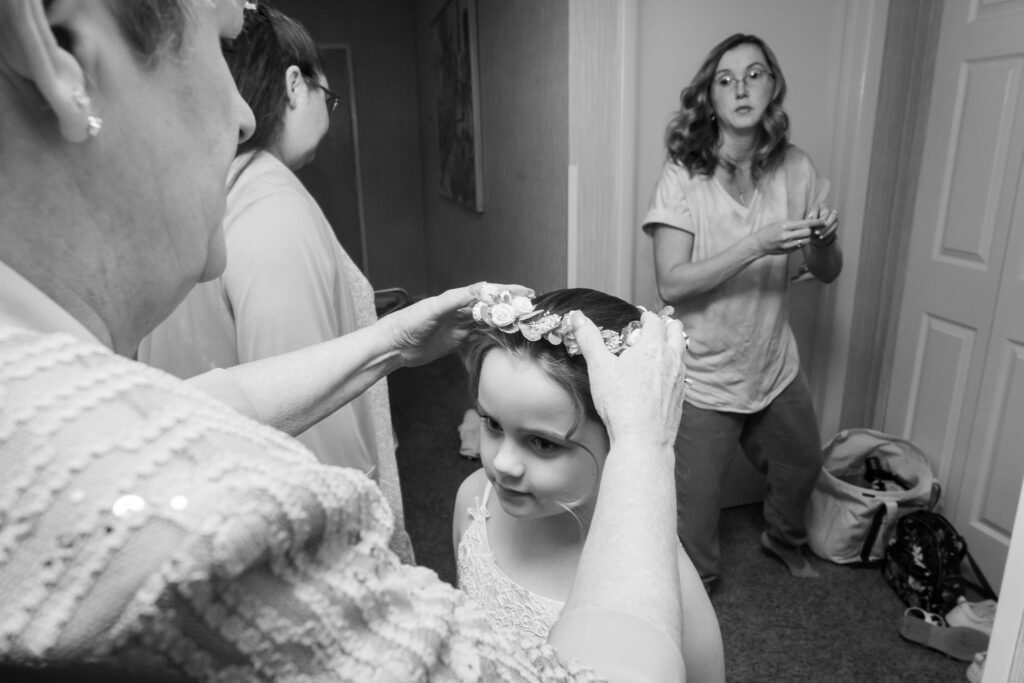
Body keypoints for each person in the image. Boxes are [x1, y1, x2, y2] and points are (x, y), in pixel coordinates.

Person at [0, 1, 690, 679]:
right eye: (216, 45)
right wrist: (644, 450)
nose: (245, 114)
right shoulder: (209, 532)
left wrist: (388, 342)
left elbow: (184, 410)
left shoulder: (42, 393)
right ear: (61, 50)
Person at [135, 4, 415, 562]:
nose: (328, 111)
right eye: (326, 97)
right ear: (294, 85)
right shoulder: (271, 202)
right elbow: (311, 427)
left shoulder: (204, 189)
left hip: (203, 492)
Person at [642, 33, 843, 588]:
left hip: (773, 363)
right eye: (726, 79)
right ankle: (697, 586)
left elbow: (826, 271)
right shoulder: (684, 174)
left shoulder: (797, 169)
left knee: (802, 463)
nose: (741, 88)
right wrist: (758, 243)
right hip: (705, 370)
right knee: (697, 507)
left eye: (755, 74)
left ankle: (782, 538)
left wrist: (823, 239)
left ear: (773, 85)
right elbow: (672, 282)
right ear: (710, 96)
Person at [454, 287, 726, 682]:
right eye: (493, 425)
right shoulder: (474, 498)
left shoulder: (670, 587)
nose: (502, 463)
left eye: (543, 443)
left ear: (619, 439)